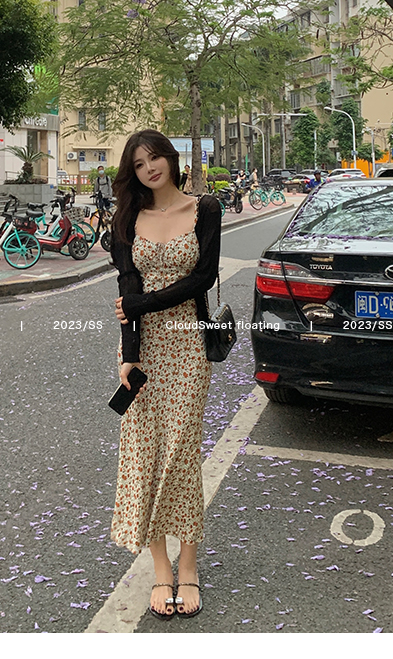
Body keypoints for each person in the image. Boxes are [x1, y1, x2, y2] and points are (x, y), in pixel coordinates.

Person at [110, 129, 221, 620]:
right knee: (145, 455)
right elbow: (126, 285)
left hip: (188, 344)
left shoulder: (205, 209)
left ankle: (188, 564)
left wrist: (142, 304)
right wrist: (129, 353)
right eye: (138, 164)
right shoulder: (128, 217)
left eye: (154, 157)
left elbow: (202, 278)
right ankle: (160, 567)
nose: (149, 168)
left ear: (171, 159)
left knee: (180, 453)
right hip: (144, 350)